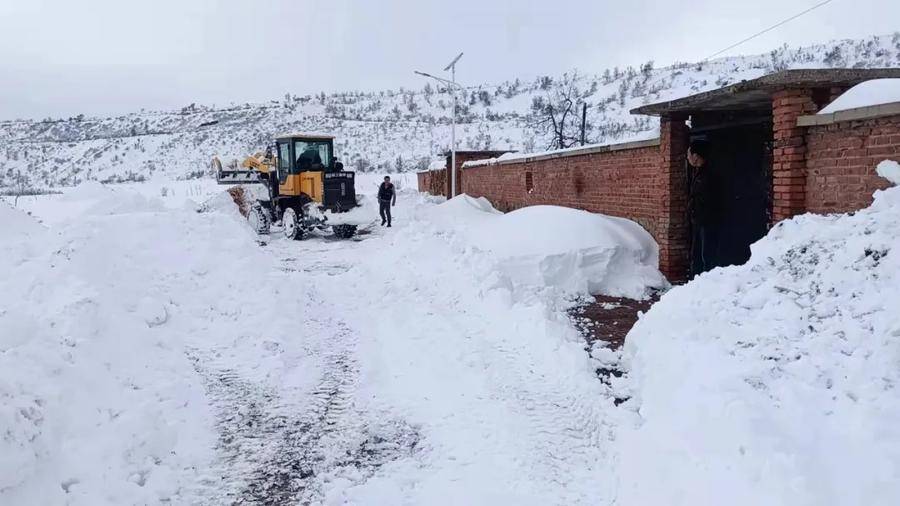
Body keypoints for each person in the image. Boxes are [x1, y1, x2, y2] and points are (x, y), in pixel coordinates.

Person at [687, 139, 722, 276]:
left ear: (695, 156)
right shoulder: (699, 173)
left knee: (707, 255)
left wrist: (699, 214)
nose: (687, 157)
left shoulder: (709, 174)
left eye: (689, 154)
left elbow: (709, 199)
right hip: (700, 221)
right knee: (698, 254)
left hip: (708, 222)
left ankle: (708, 283)